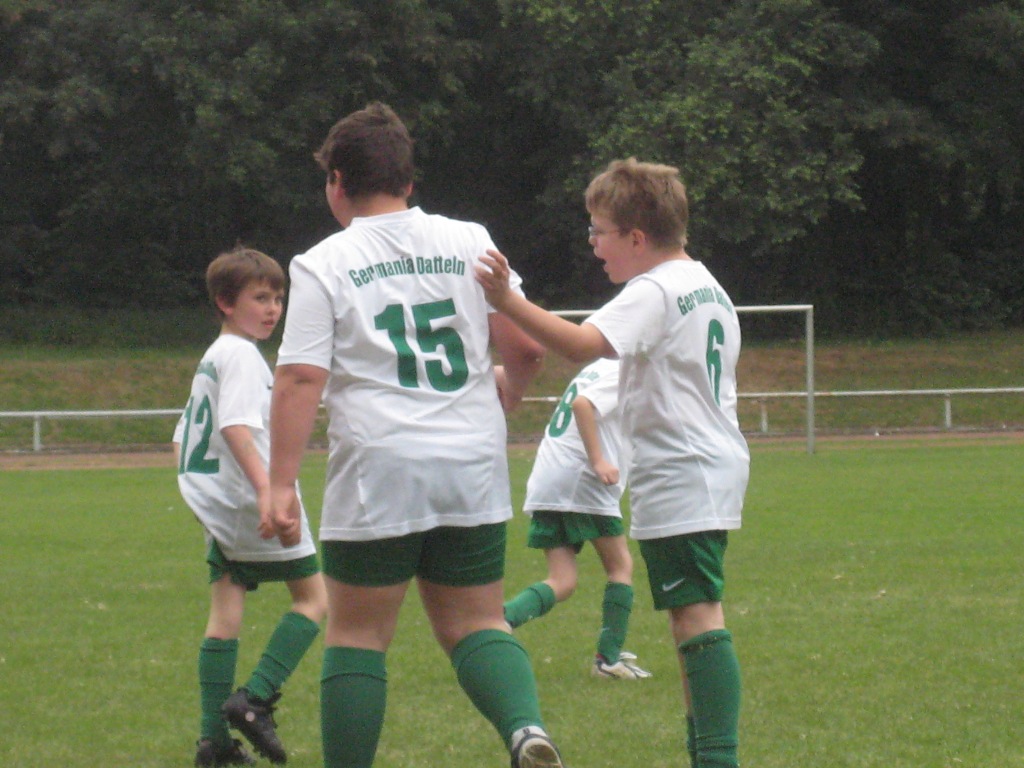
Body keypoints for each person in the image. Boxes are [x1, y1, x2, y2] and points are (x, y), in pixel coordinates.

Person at [266, 102, 567, 768]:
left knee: (357, 635)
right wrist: (511, 392)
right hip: (470, 461)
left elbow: (300, 379)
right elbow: (526, 347)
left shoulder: (323, 262)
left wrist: (280, 483)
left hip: (379, 466)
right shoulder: (470, 240)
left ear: (337, 181)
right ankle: (525, 730)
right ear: (406, 178)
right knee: (476, 622)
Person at [475, 158, 749, 768]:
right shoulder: (705, 281)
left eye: (599, 232)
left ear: (637, 237)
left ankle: (717, 760)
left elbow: (579, 346)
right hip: (707, 463)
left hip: (684, 469)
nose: (594, 245)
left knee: (698, 617)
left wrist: (505, 299)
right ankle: (706, 755)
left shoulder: (656, 289)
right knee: (690, 619)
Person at [173, 247, 327, 767]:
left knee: (226, 611)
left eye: (278, 298)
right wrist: (267, 490)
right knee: (313, 600)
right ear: (225, 302)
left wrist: (200, 498)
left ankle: (214, 744)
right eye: (260, 298)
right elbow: (236, 426)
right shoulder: (240, 355)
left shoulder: (213, 356)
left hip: (219, 503)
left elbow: (182, 438)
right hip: (247, 499)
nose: (273, 308)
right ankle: (255, 699)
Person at [503, 357, 652, 680]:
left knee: (563, 581)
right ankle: (607, 660)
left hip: (551, 476)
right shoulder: (622, 370)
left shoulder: (598, 366)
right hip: (581, 479)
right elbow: (583, 405)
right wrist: (598, 461)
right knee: (620, 567)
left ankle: (496, 623)